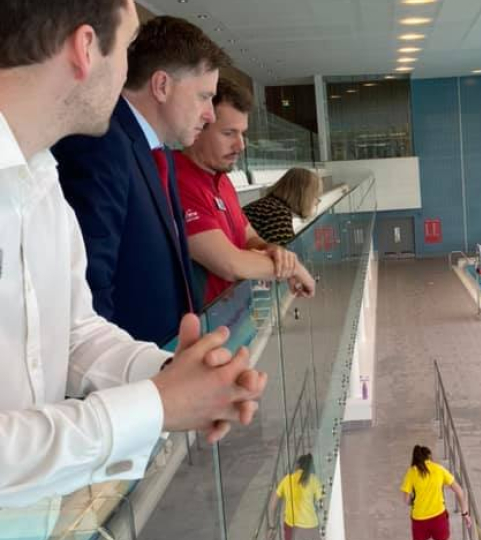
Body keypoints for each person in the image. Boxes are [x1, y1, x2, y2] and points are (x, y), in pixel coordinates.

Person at [0, 0, 266, 514]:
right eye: (124, 49)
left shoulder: (42, 178)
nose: (127, 73)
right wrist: (155, 405)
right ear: (84, 50)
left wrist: (175, 372)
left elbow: (76, 332)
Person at [52, 16, 295, 346]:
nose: (209, 113)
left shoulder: (158, 153)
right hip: (134, 373)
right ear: (162, 86)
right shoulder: (101, 144)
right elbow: (90, 294)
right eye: (204, 96)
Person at [176, 78, 315, 305]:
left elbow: (248, 236)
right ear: (199, 127)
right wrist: (293, 267)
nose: (241, 145)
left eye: (243, 134)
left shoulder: (223, 182)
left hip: (232, 317)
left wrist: (270, 249)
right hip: (200, 328)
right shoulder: (178, 181)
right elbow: (230, 264)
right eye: (229, 133)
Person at [400, 445, 471, 540]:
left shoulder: (411, 472)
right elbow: (459, 491)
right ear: (429, 456)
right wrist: (465, 513)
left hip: (419, 520)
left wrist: (412, 501)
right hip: (438, 518)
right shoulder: (439, 469)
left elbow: (406, 499)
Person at [243, 167, 323, 246]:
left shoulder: (270, 205)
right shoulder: (277, 213)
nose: (317, 201)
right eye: (315, 196)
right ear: (303, 196)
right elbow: (284, 256)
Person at [272, 454, 323, 540]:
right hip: (311, 526)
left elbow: (273, 504)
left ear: (298, 465)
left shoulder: (287, 479)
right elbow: (321, 504)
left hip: (291, 527)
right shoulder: (314, 480)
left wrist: (273, 525)